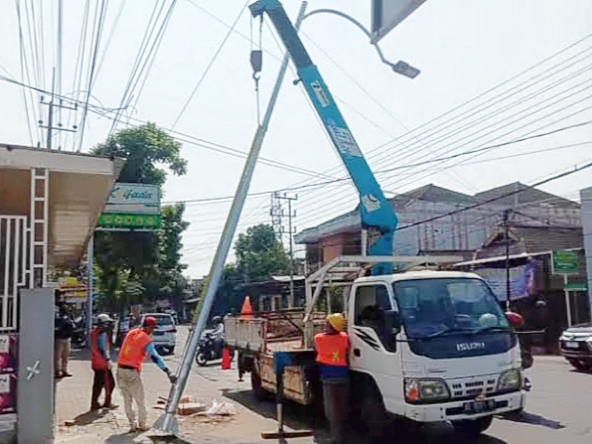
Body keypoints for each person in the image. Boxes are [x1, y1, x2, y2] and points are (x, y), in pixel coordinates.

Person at [116, 316, 177, 433]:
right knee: (140, 400)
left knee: (127, 400)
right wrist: (167, 371)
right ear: (149, 327)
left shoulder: (131, 333)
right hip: (131, 372)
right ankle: (142, 425)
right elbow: (155, 356)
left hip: (120, 370)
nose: (153, 330)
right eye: (152, 328)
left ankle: (132, 425)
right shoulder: (145, 339)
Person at [313, 313, 349, 444]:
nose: (324, 325)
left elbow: (316, 348)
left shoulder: (319, 339)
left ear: (330, 325)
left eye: (327, 323)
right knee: (342, 408)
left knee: (331, 411)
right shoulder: (344, 338)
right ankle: (342, 435)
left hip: (328, 378)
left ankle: (336, 438)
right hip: (342, 376)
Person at [90, 313, 117, 411]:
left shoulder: (94, 332)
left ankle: (94, 403)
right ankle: (107, 403)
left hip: (96, 362)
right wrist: (108, 360)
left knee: (98, 384)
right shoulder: (101, 334)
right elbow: (102, 349)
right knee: (110, 383)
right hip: (102, 363)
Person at [54, 303, 75, 378]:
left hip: (66, 338)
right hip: (60, 338)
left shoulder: (68, 318)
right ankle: (57, 371)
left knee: (65, 356)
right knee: (58, 356)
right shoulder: (58, 318)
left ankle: (64, 370)